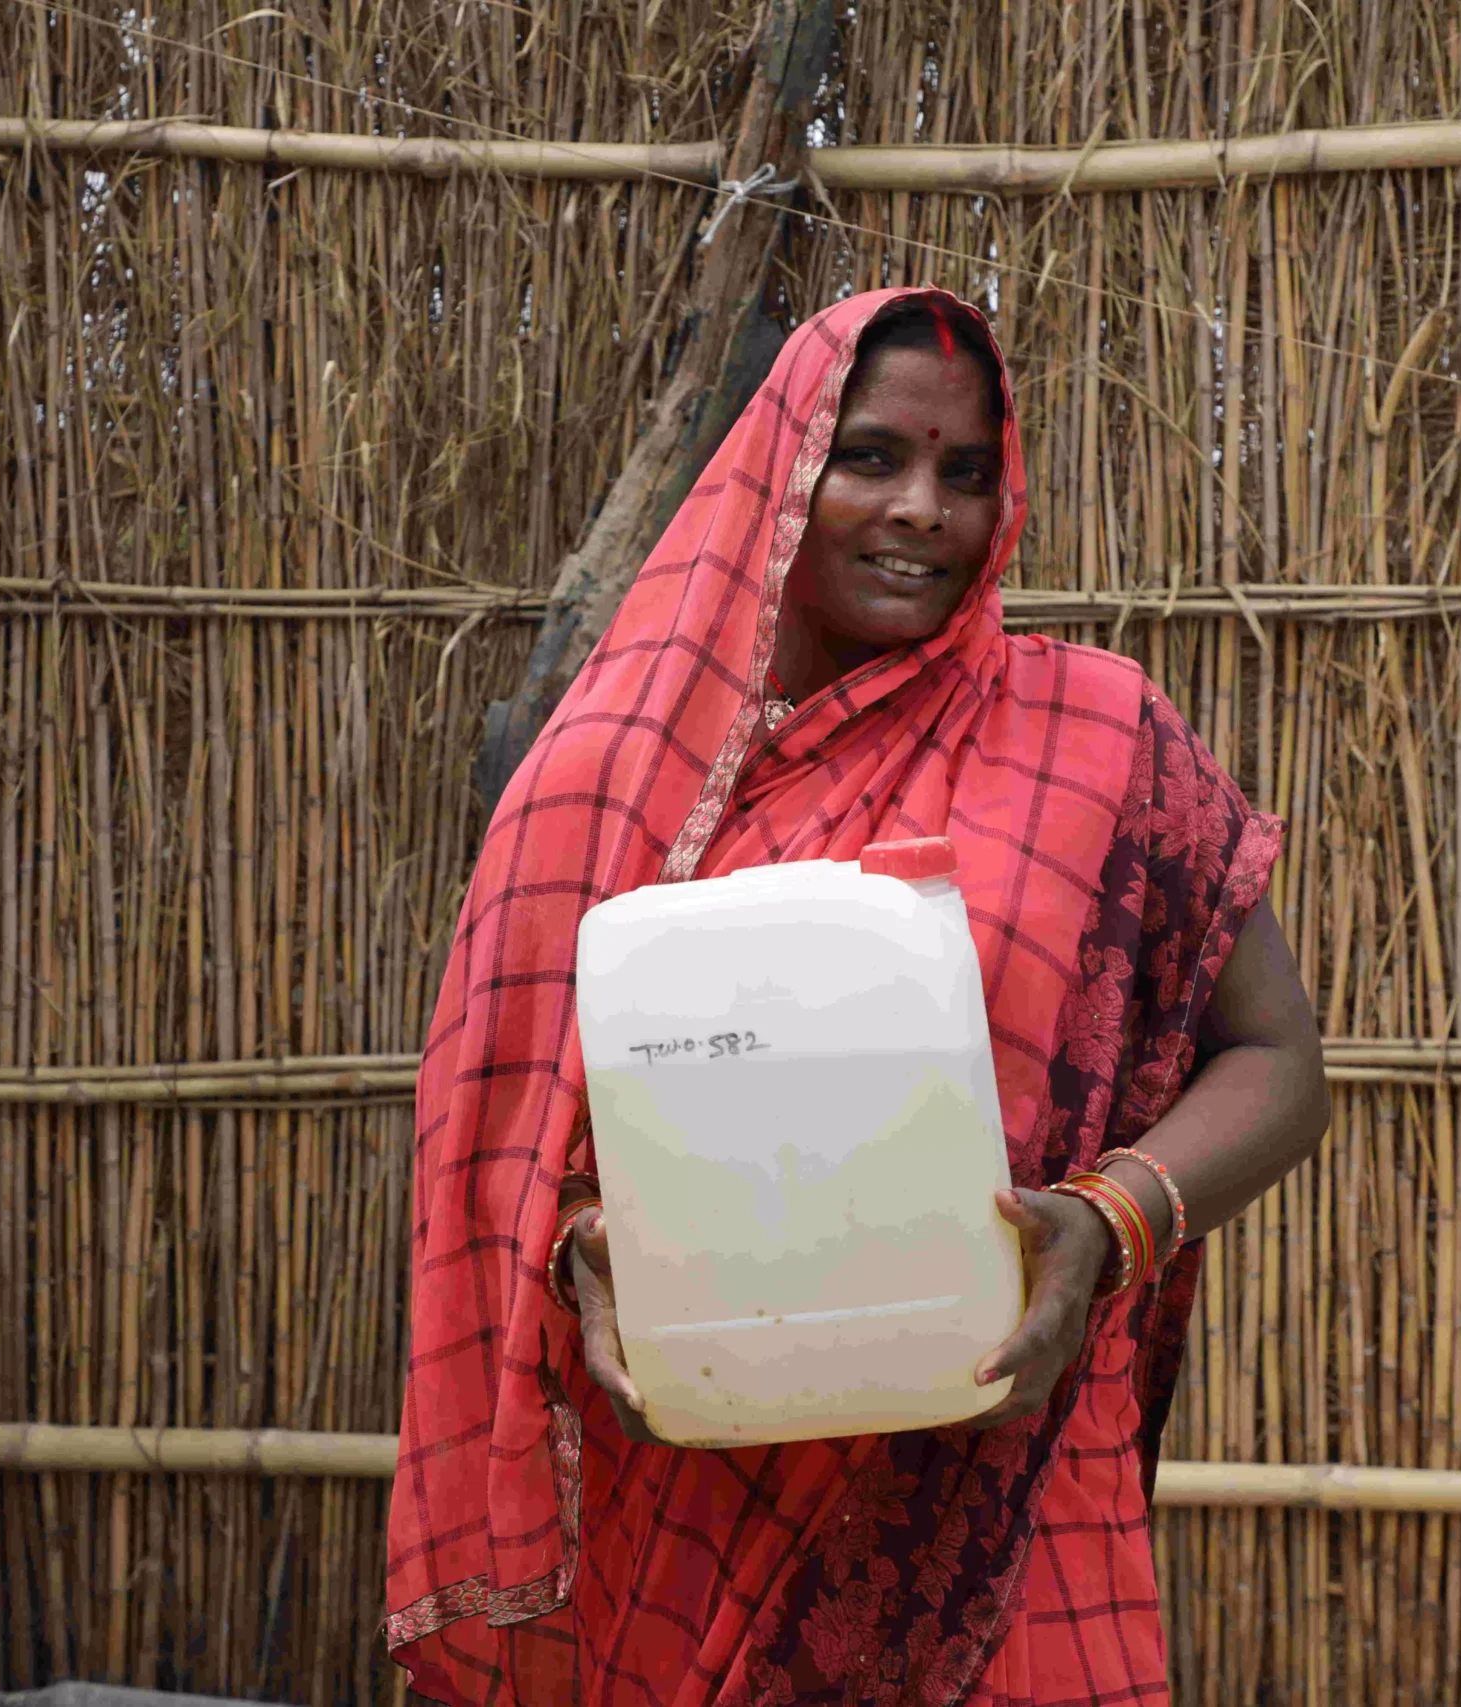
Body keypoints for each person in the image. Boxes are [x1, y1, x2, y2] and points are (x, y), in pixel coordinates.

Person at [387, 286, 1329, 1707]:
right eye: (870, 455)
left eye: (966, 473)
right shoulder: (612, 775)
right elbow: (513, 1136)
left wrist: (1106, 1221)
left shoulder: (1099, 736)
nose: (920, 512)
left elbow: (1281, 1060)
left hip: (999, 1478)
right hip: (689, 1488)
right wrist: (589, 1244)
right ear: (784, 472)